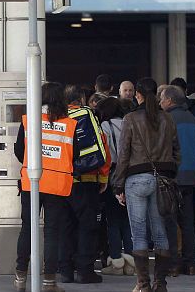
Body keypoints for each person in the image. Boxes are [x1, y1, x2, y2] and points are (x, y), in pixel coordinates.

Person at [113, 78, 179, 292]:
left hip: (136, 180)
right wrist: (170, 173)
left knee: (139, 233)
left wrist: (118, 184)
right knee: (160, 233)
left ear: (138, 95)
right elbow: (177, 151)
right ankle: (160, 283)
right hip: (162, 180)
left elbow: (124, 155)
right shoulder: (167, 118)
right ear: (157, 95)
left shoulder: (130, 118)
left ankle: (143, 284)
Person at [14, 82, 76, 292]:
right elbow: (75, 154)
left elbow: (19, 150)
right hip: (57, 184)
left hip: (31, 182)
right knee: (52, 232)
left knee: (27, 229)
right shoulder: (69, 124)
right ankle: (49, 282)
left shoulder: (28, 120)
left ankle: (20, 278)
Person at [60, 85, 111, 284]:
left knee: (65, 227)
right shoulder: (87, 115)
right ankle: (85, 271)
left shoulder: (56, 118)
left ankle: (65, 271)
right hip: (86, 180)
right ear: (81, 99)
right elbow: (102, 146)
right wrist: (103, 178)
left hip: (61, 182)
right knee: (87, 227)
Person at [158, 85, 195, 276]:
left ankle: (173, 264)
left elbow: (162, 149)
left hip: (172, 177)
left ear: (169, 100)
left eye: (162, 99)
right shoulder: (193, 119)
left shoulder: (166, 119)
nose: (160, 102)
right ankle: (190, 263)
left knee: (170, 221)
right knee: (188, 222)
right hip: (191, 177)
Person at [96, 97, 135, 277]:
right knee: (127, 220)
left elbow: (105, 154)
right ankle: (131, 263)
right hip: (130, 173)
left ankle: (116, 261)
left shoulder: (105, 126)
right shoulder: (130, 123)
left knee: (112, 221)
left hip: (112, 174)